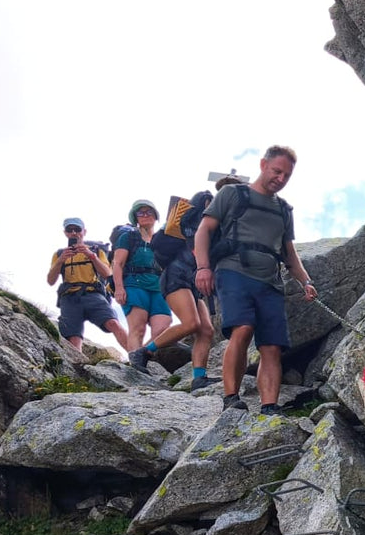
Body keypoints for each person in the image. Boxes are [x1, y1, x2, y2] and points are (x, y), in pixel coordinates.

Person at [193, 146, 317, 414]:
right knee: (243, 328)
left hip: (270, 281)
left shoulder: (283, 209)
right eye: (277, 171)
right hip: (233, 271)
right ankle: (230, 398)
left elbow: (289, 253)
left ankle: (269, 405)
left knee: (272, 345)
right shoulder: (231, 194)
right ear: (263, 165)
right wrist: (203, 267)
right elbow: (205, 230)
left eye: (287, 175)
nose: (281, 179)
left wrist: (305, 282)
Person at [128, 176, 245, 390]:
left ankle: (199, 377)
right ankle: (143, 352)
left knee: (207, 330)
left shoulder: (228, 221)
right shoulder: (205, 204)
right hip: (177, 274)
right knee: (191, 323)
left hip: (193, 283)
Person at [47, 217, 130, 351]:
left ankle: (136, 355)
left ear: (84, 231)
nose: (74, 233)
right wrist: (61, 261)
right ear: (65, 233)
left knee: (113, 323)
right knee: (73, 337)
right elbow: (51, 281)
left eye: (77, 229)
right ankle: (77, 367)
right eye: (70, 230)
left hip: (93, 294)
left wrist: (92, 256)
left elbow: (107, 274)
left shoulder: (96, 251)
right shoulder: (59, 254)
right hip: (69, 297)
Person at [111, 200, 172, 355]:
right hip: (134, 284)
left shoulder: (161, 239)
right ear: (135, 217)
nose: (145, 215)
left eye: (149, 212)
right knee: (138, 328)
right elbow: (118, 263)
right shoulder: (128, 237)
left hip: (158, 286)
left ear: (156, 216)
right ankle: (135, 369)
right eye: (141, 212)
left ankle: (140, 356)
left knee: (163, 327)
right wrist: (119, 288)